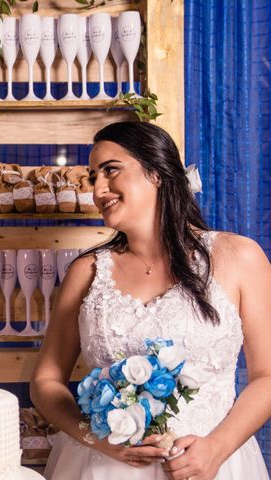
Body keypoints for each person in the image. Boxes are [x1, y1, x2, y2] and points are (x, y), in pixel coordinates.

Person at [31, 121, 271, 480]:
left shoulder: (239, 257)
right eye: (91, 177)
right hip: (102, 467)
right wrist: (97, 439)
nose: (97, 189)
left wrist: (216, 449)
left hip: (212, 465)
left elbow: (267, 376)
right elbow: (45, 382)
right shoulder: (86, 273)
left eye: (110, 170)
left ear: (157, 173)